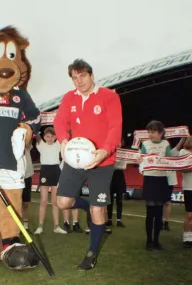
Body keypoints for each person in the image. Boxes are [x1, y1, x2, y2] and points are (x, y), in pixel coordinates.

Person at [53, 59, 122, 270]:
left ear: (91, 75)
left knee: (98, 211)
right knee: (63, 202)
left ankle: (91, 254)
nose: (78, 81)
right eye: (74, 77)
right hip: (75, 159)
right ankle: (85, 207)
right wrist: (64, 139)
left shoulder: (109, 96)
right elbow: (59, 122)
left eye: (82, 76)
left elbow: (115, 126)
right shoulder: (68, 98)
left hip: (102, 161)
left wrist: (105, 150)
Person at [139, 120, 172, 251]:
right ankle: (149, 241)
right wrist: (140, 161)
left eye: (153, 132)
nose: (150, 135)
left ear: (161, 133)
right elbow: (141, 160)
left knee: (159, 213)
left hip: (161, 180)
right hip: (150, 179)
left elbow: (170, 161)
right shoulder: (145, 144)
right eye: (149, 132)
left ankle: (157, 241)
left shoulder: (166, 144)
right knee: (150, 212)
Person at [34, 127, 67, 235]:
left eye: (52, 136)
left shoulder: (58, 145)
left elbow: (64, 133)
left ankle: (56, 226)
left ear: (55, 137)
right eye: (47, 136)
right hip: (45, 171)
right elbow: (36, 134)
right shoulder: (41, 144)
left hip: (55, 171)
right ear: (44, 137)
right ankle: (40, 226)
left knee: (54, 201)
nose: (50, 138)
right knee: (43, 201)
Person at [162, 137, 186, 231]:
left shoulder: (172, 152)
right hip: (159, 180)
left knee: (167, 203)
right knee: (159, 203)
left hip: (169, 181)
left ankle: (166, 223)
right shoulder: (158, 155)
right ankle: (159, 222)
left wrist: (183, 136)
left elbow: (180, 144)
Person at [106, 137, 126, 227]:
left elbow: (123, 165)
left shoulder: (125, 153)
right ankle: (109, 219)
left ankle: (118, 220)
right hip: (111, 174)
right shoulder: (111, 152)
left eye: (120, 142)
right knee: (109, 199)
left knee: (119, 199)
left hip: (120, 175)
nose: (119, 144)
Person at [178, 136, 192, 248]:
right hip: (189, 187)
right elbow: (180, 168)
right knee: (189, 214)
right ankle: (187, 238)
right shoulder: (183, 152)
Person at [22, 142, 34, 232]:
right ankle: (15, 226)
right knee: (15, 203)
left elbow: (30, 139)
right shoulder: (14, 147)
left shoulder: (27, 146)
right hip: (16, 178)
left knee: (25, 203)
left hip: (27, 177)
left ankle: (25, 226)